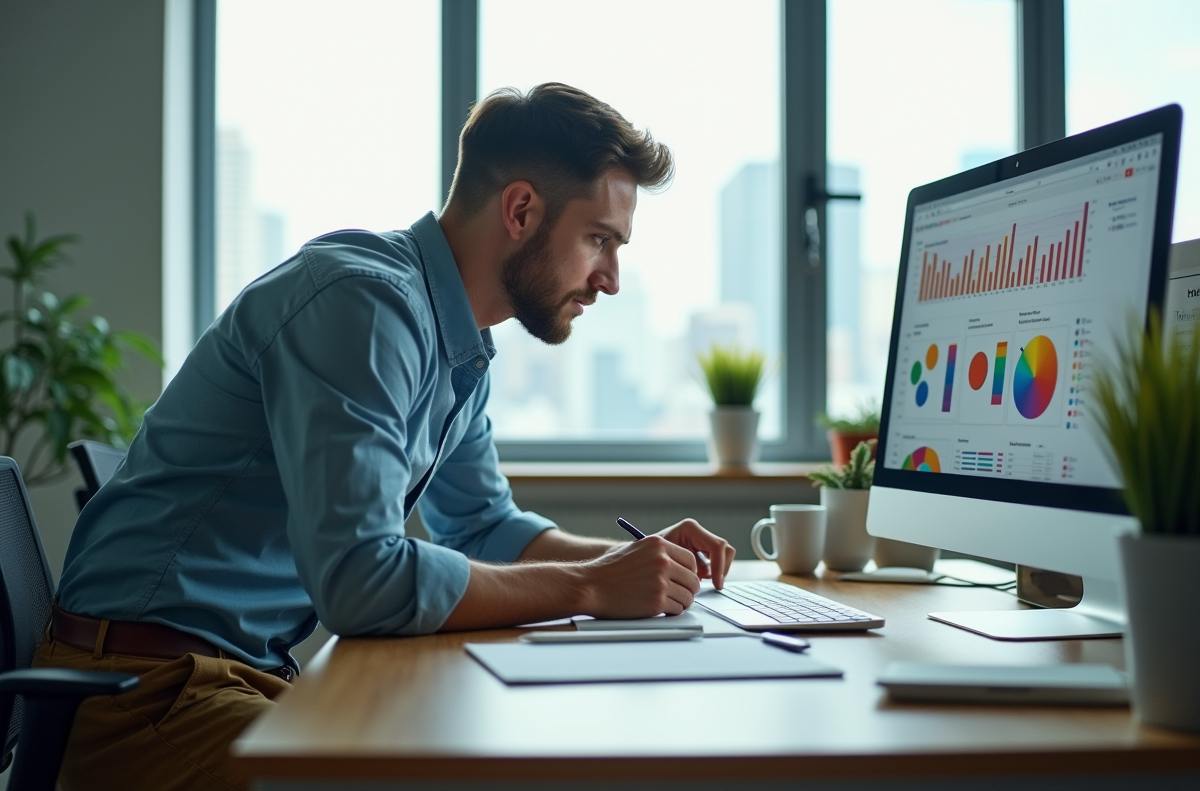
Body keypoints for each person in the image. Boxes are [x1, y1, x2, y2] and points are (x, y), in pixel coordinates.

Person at [34, 82, 736, 791]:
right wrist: (589, 585)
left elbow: (483, 524)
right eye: (600, 240)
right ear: (521, 209)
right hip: (146, 696)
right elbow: (362, 582)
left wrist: (636, 562)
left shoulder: (456, 345)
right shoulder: (365, 307)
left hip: (228, 681)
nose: (610, 279)